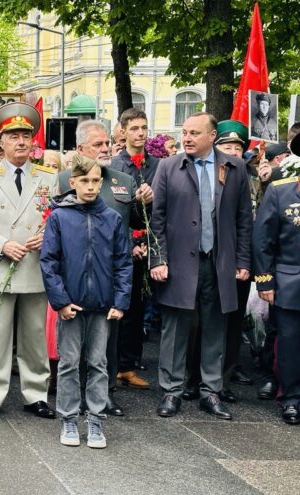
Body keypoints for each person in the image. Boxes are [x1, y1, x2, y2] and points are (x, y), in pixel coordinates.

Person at [149, 112, 252, 420]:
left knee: (215, 328)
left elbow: (243, 219)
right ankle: (172, 391)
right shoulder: (169, 166)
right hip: (179, 263)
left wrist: (243, 260)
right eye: (185, 132)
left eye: (194, 133)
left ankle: (211, 392)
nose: (187, 138)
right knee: (175, 328)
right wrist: (159, 259)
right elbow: (157, 219)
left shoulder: (235, 167)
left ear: (212, 136)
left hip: (219, 262)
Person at [0, 102, 57, 420]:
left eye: (25, 136)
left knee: (34, 337)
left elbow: (56, 218)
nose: (20, 142)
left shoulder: (48, 178)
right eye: (13, 136)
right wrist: (2, 245)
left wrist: (47, 237)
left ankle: (36, 393)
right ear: (1, 143)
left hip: (34, 267)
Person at [41, 155, 132, 448]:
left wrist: (120, 301)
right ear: (73, 183)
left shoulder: (112, 218)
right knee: (68, 363)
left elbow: (123, 262)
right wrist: (61, 301)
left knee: (98, 363)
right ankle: (68, 417)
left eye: (95, 181)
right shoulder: (59, 217)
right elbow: (49, 262)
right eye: (84, 181)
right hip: (71, 304)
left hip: (103, 305)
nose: (90, 187)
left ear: (101, 183)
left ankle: (95, 418)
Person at [65, 119, 143, 417]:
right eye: (97, 144)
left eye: (107, 142)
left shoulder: (123, 180)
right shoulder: (63, 179)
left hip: (109, 271)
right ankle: (73, 390)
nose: (105, 148)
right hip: (74, 272)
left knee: (108, 337)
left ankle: (105, 391)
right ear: (80, 148)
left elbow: (137, 221)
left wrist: (144, 203)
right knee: (73, 337)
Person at [109, 108, 159, 399]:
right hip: (122, 248)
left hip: (148, 247)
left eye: (144, 128)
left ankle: (129, 365)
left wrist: (149, 242)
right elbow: (113, 211)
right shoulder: (114, 166)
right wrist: (130, 242)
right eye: (134, 128)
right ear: (123, 131)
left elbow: (163, 209)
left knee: (139, 308)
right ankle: (113, 365)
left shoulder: (158, 165)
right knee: (120, 308)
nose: (140, 133)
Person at [253, 172, 300, 425]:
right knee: (290, 344)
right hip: (290, 282)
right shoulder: (280, 191)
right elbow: (263, 239)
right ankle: (291, 398)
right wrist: (265, 280)